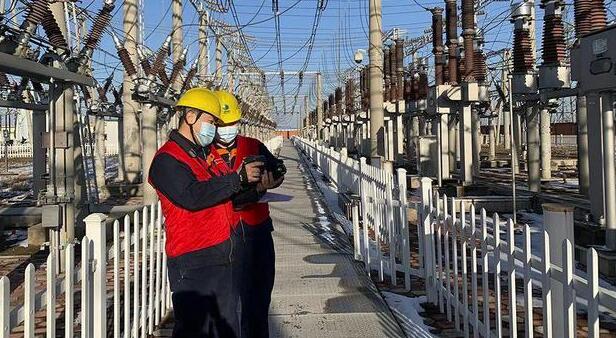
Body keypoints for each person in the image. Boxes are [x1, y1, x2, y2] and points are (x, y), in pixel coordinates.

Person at [148, 88, 264, 338]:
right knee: (196, 330)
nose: (213, 129)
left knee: (226, 328)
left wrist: (257, 189)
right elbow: (192, 196)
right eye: (210, 121)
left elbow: (225, 198)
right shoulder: (167, 160)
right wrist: (236, 179)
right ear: (190, 116)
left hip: (223, 255)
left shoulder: (207, 155)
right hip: (193, 262)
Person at [213, 90, 285, 338]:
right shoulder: (205, 154)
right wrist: (257, 190)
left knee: (257, 298)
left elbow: (276, 166)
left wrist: (274, 178)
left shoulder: (251, 145)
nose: (227, 129)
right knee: (226, 304)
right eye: (222, 124)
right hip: (223, 235)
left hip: (257, 231)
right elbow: (223, 198)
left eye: (232, 123)